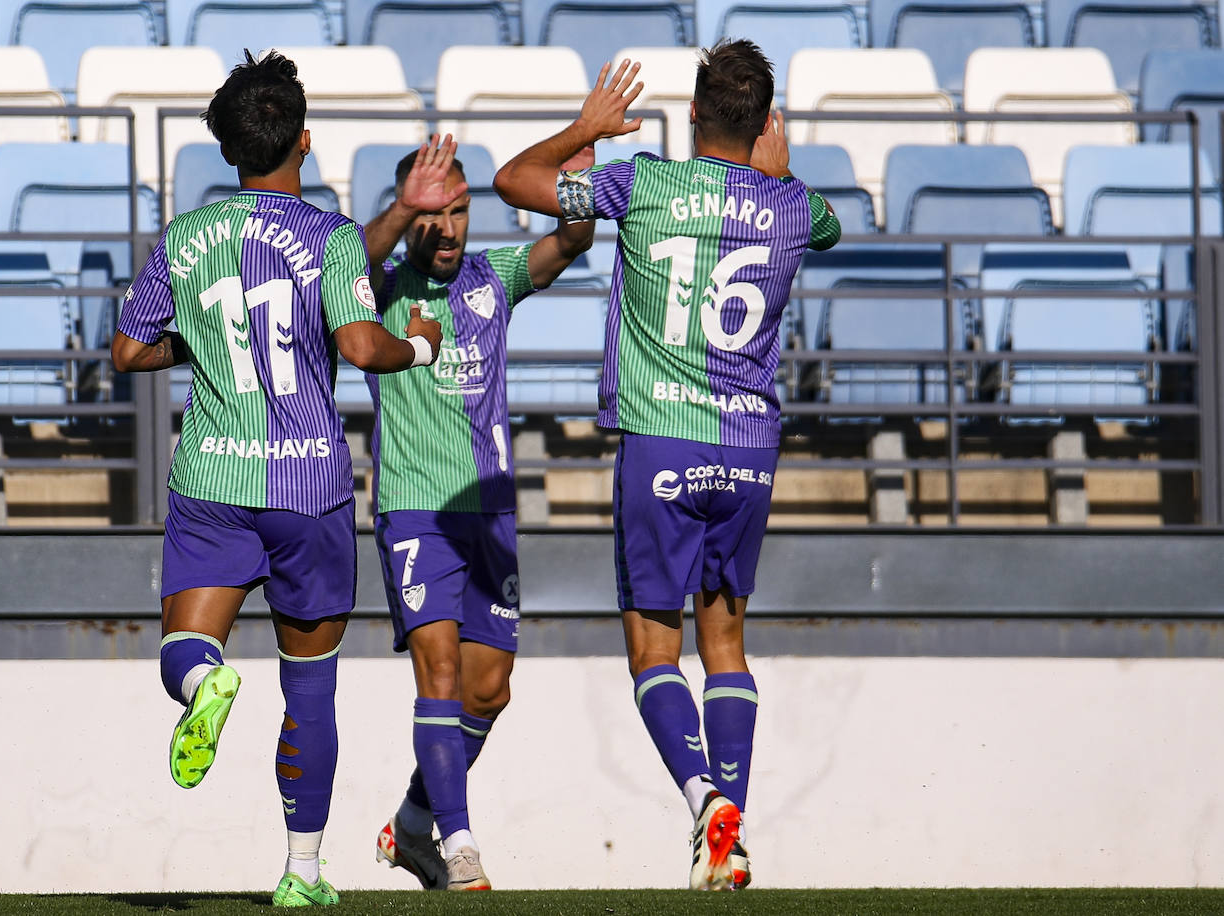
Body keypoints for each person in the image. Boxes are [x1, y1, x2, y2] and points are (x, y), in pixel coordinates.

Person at [493, 39, 841, 891]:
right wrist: (780, 174)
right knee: (727, 645)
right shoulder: (798, 210)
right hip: (750, 449)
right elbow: (826, 222)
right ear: (764, 123)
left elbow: (512, 182)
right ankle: (732, 840)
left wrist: (587, 127)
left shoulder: (643, 183)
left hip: (662, 438)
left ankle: (704, 803)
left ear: (691, 113)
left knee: (654, 650)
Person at [110, 50, 442, 908]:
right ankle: (301, 873)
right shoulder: (329, 236)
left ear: (228, 151)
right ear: (304, 141)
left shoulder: (184, 238)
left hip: (212, 480)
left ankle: (205, 683)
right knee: (312, 687)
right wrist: (422, 346)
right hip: (309, 490)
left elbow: (129, 350)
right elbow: (363, 347)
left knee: (184, 647)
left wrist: (205, 347)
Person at [363, 135, 594, 891]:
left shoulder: (493, 278)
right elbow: (356, 261)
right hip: (415, 508)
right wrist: (404, 211)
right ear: (411, 214)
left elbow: (569, 241)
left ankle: (412, 824)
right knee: (439, 670)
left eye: (461, 210)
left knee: (488, 688)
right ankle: (461, 847)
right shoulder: (380, 287)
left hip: (489, 509)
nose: (451, 226)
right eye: (437, 212)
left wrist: (580, 163)